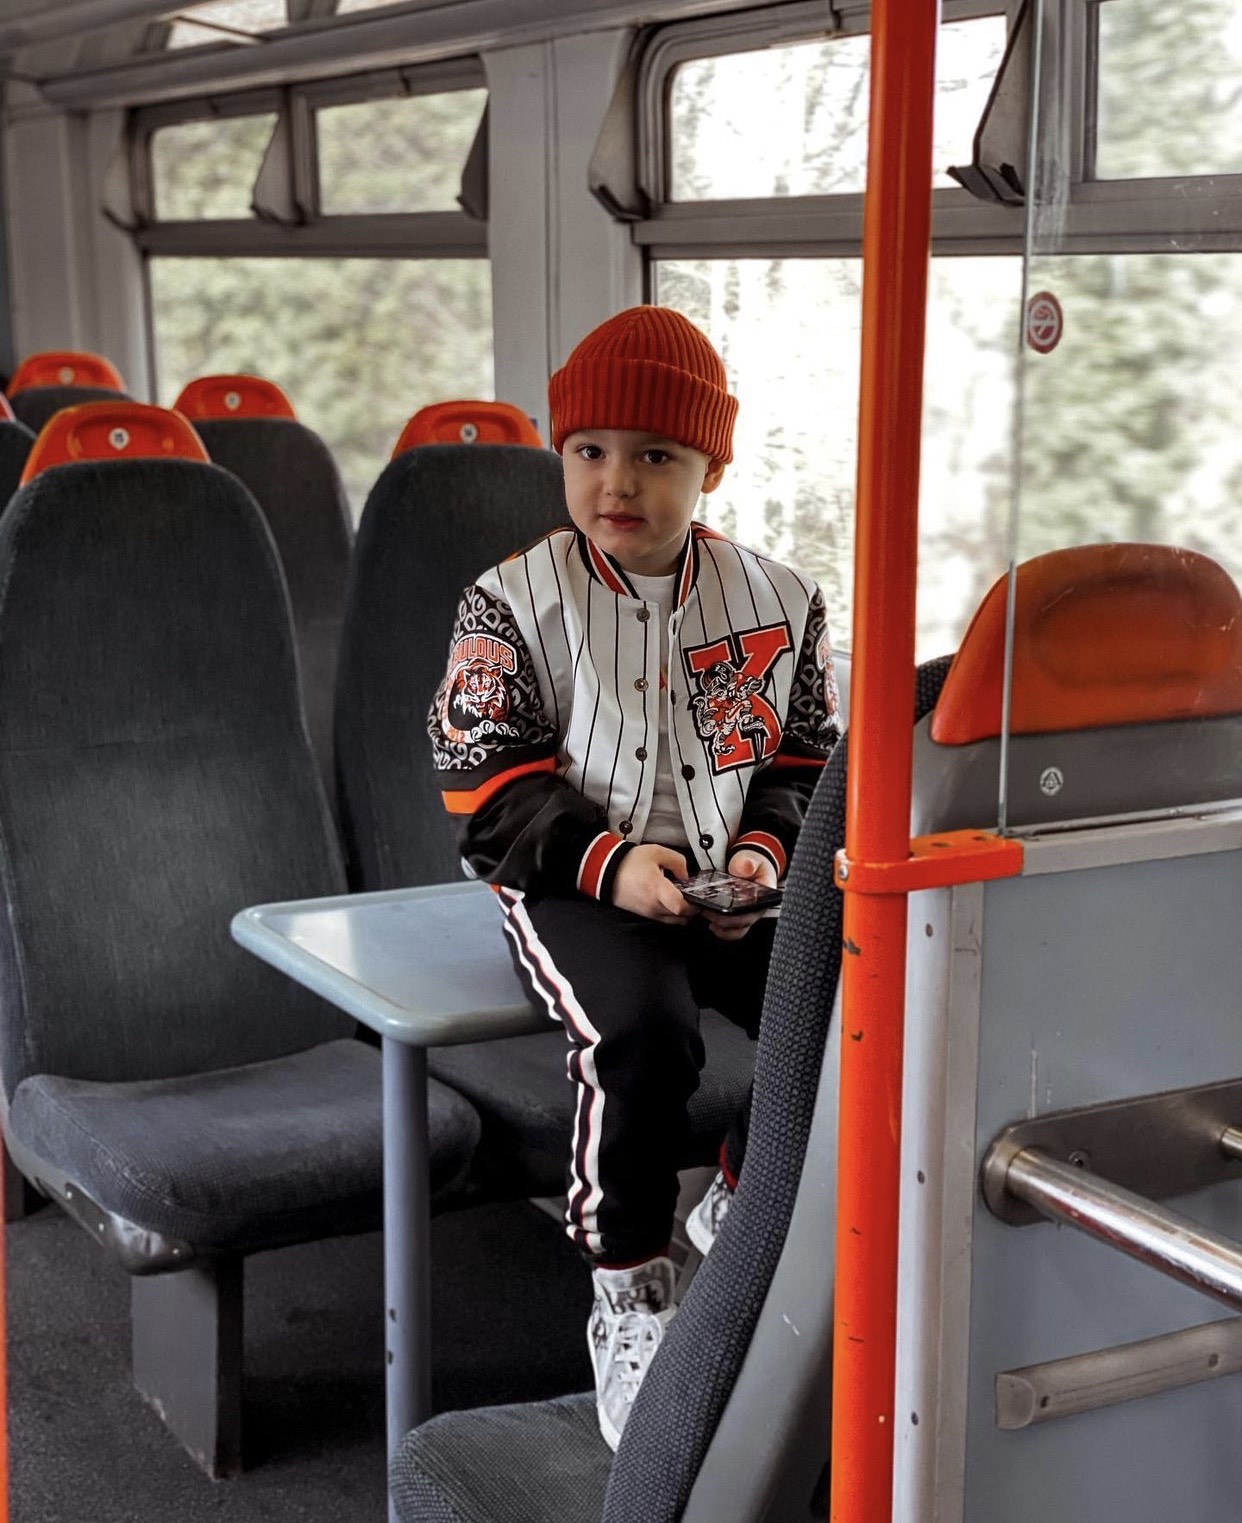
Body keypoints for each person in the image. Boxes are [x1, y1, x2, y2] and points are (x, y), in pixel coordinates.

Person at [428, 305, 840, 1448]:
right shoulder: (509, 603)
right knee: (645, 1034)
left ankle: (745, 1193)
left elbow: (804, 760)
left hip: (731, 875)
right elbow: (484, 783)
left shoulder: (783, 599)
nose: (618, 481)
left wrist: (764, 851)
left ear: (713, 466)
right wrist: (611, 867)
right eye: (590, 449)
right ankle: (628, 1280)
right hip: (570, 877)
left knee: (852, 1003)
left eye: (657, 455)